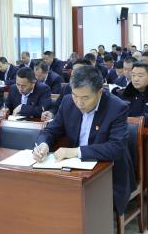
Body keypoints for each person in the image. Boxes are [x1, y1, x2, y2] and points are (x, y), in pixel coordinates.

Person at [33, 66, 135, 215]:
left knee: (83, 207)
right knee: (46, 195)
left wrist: (76, 152)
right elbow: (51, 130)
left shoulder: (116, 107)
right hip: (75, 169)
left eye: (85, 98)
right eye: (75, 96)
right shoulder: (68, 102)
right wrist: (44, 144)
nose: (79, 103)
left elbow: (116, 148)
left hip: (109, 171)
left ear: (99, 92)